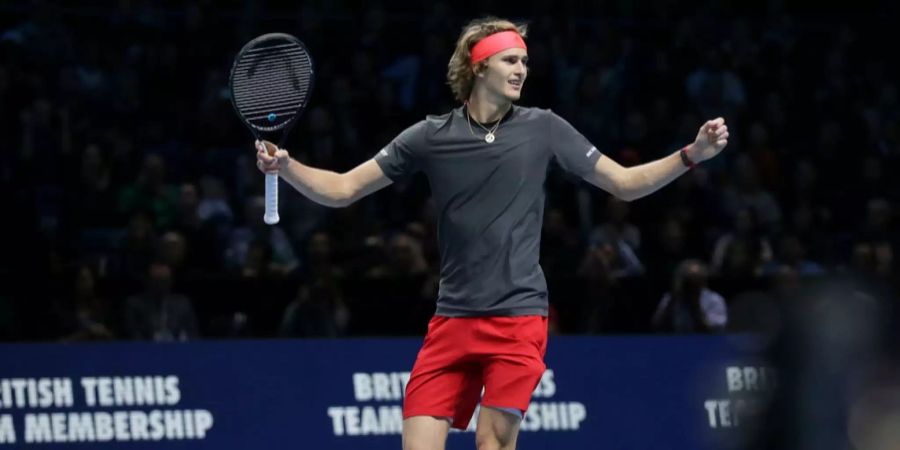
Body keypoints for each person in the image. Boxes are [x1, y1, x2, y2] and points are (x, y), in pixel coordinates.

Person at [255, 17, 729, 450]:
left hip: (517, 319)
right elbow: (343, 189)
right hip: (452, 321)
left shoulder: (544, 128)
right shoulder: (428, 136)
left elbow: (624, 184)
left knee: (493, 444)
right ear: (478, 66)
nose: (521, 68)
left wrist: (690, 154)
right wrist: (289, 167)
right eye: (510, 59)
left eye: (524, 60)